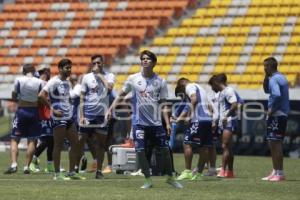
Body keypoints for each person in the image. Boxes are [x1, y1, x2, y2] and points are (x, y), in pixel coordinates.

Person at [106, 50, 182, 189]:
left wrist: (168, 122)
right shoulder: (133, 79)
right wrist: (110, 108)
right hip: (139, 123)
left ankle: (170, 177)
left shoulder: (161, 81)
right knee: (140, 151)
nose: (145, 61)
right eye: (143, 58)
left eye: (148, 59)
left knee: (165, 150)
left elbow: (164, 103)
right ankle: (148, 180)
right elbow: (121, 94)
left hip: (156, 123)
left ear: (154, 63)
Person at [38, 58, 85, 180]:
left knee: (75, 143)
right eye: (67, 68)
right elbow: (41, 95)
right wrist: (52, 110)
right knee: (58, 145)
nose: (69, 70)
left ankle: (71, 172)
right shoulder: (54, 81)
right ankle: (57, 174)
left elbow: (67, 97)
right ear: (60, 69)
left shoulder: (67, 82)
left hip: (68, 116)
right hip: (58, 117)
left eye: (70, 67)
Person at [78, 54, 115, 179]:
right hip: (88, 113)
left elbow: (109, 88)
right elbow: (82, 96)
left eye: (99, 63)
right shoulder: (86, 77)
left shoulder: (109, 76)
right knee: (79, 141)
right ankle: (74, 169)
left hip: (101, 115)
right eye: (94, 63)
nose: (96, 65)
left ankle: (98, 171)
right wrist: (82, 115)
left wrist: (99, 75)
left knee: (101, 144)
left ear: (103, 63)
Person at [4, 64, 43, 174]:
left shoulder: (19, 80)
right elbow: (41, 96)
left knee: (15, 138)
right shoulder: (39, 82)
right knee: (32, 139)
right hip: (34, 111)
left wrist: (16, 97)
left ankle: (14, 164)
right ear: (33, 71)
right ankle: (26, 166)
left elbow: (14, 95)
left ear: (24, 71)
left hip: (22, 111)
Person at [174, 78, 213, 181]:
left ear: (182, 85)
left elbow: (194, 99)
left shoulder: (189, 87)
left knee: (187, 143)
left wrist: (189, 116)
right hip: (207, 120)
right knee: (204, 147)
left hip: (198, 120)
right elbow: (210, 106)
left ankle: (187, 171)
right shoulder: (201, 89)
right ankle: (199, 174)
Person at [262, 57, 289, 182]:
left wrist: (271, 110)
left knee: (276, 143)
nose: (264, 68)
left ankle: (280, 172)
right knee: (272, 143)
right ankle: (275, 170)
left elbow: (277, 95)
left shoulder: (274, 78)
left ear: (270, 67)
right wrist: (266, 77)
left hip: (277, 114)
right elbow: (267, 90)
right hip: (279, 114)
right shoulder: (278, 77)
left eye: (265, 66)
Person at [209, 74, 239, 178]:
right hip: (224, 122)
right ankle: (230, 172)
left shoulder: (229, 90)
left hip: (229, 121)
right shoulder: (221, 93)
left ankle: (222, 170)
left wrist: (226, 116)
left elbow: (235, 104)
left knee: (225, 146)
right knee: (229, 148)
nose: (213, 88)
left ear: (217, 83)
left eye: (213, 85)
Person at [29, 65, 55, 173]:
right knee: (46, 140)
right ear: (44, 72)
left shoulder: (47, 84)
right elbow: (37, 99)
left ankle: (49, 166)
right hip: (42, 115)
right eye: (48, 71)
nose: (49, 73)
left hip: (49, 115)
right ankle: (32, 161)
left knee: (51, 141)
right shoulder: (39, 83)